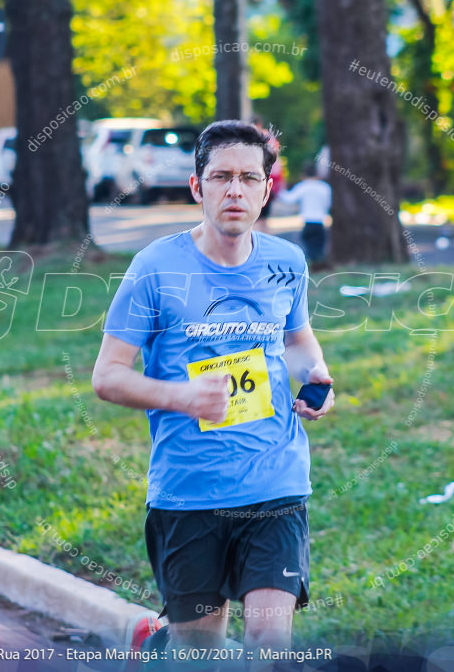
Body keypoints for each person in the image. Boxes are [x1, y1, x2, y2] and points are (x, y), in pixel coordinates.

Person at [92, 120, 335, 656]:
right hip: (189, 491)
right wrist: (182, 397)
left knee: (268, 647)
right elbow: (107, 376)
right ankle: (154, 654)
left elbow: (297, 342)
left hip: (276, 484)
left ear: (267, 189)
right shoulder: (155, 268)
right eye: (221, 177)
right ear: (197, 187)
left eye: (250, 178)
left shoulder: (286, 262)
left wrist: (314, 374)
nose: (235, 190)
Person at [278, 163, 332, 267]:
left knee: (309, 245)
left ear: (304, 174)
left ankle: (312, 265)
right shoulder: (325, 187)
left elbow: (289, 199)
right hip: (321, 222)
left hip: (308, 222)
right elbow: (328, 204)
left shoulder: (303, 186)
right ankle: (319, 264)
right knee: (319, 245)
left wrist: (280, 188)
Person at [250, 116, 283, 233]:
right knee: (264, 215)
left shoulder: (250, 137)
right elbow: (277, 158)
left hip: (256, 176)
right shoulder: (270, 137)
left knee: (257, 215)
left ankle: (258, 237)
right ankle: (264, 237)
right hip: (272, 177)